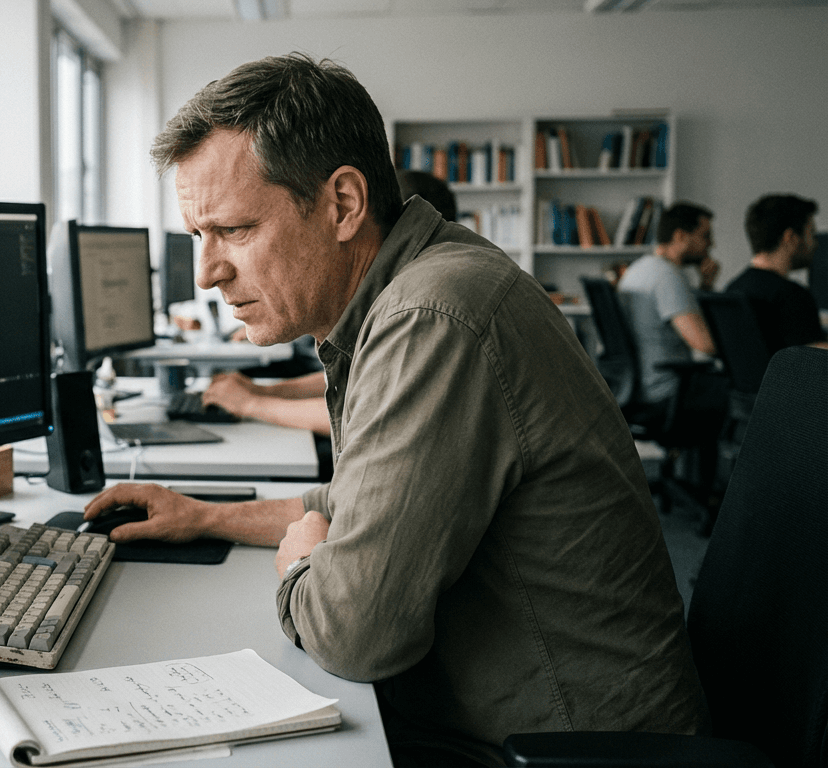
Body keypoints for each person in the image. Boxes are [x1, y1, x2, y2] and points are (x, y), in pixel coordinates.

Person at [85, 53, 707, 766]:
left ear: (343, 205)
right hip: (512, 717)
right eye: (200, 236)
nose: (207, 271)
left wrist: (301, 566)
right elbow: (359, 502)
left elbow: (355, 633)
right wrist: (203, 515)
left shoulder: (432, 317)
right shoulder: (413, 290)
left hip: (561, 747)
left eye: (235, 230)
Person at [202, 169, 460, 436]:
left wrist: (252, 403)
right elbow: (342, 383)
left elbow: (359, 417)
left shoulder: (421, 313)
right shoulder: (392, 296)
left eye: (235, 228)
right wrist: (262, 391)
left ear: (346, 207)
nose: (204, 277)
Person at [615, 202, 720, 407]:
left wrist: (706, 285)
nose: (712, 244)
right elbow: (706, 345)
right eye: (705, 236)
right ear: (680, 236)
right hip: (668, 390)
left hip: (637, 386)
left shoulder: (638, 269)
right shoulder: (668, 277)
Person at [725, 194, 827, 352]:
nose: (815, 243)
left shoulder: (733, 289)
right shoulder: (791, 296)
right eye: (811, 233)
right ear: (790, 237)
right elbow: (818, 359)